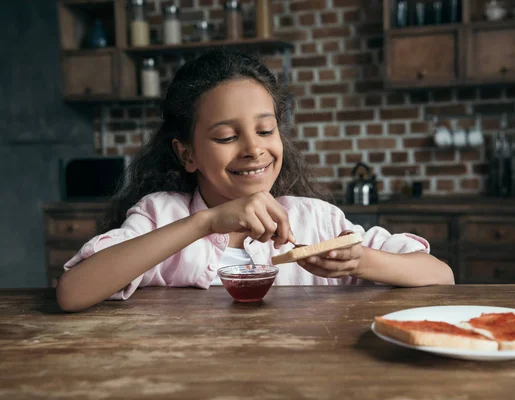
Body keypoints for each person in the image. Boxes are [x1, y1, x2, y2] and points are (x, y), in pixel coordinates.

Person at [56, 49, 454, 312]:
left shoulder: (317, 220)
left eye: (265, 130)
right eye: (227, 137)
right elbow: (73, 292)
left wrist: (359, 261)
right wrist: (206, 222)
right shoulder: (161, 215)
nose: (252, 149)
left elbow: (441, 275)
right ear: (186, 153)